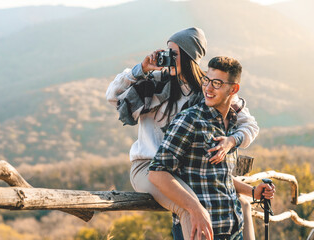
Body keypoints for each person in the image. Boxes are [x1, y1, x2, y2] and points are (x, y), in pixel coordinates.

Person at [106, 27, 259, 239]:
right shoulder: (154, 83)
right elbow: (113, 95)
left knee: (239, 202)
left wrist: (231, 141)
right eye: (167, 51)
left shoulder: (208, 90)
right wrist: (141, 69)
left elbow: (249, 125)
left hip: (183, 168)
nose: (168, 58)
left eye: (174, 54)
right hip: (150, 167)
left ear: (189, 58)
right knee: (190, 207)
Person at [148, 56, 275, 240]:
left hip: (234, 231)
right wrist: (196, 209)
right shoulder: (189, 120)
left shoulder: (231, 124)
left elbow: (219, 177)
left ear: (234, 89)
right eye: (206, 80)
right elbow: (157, 172)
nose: (208, 88)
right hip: (201, 232)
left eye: (216, 83)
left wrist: (253, 192)